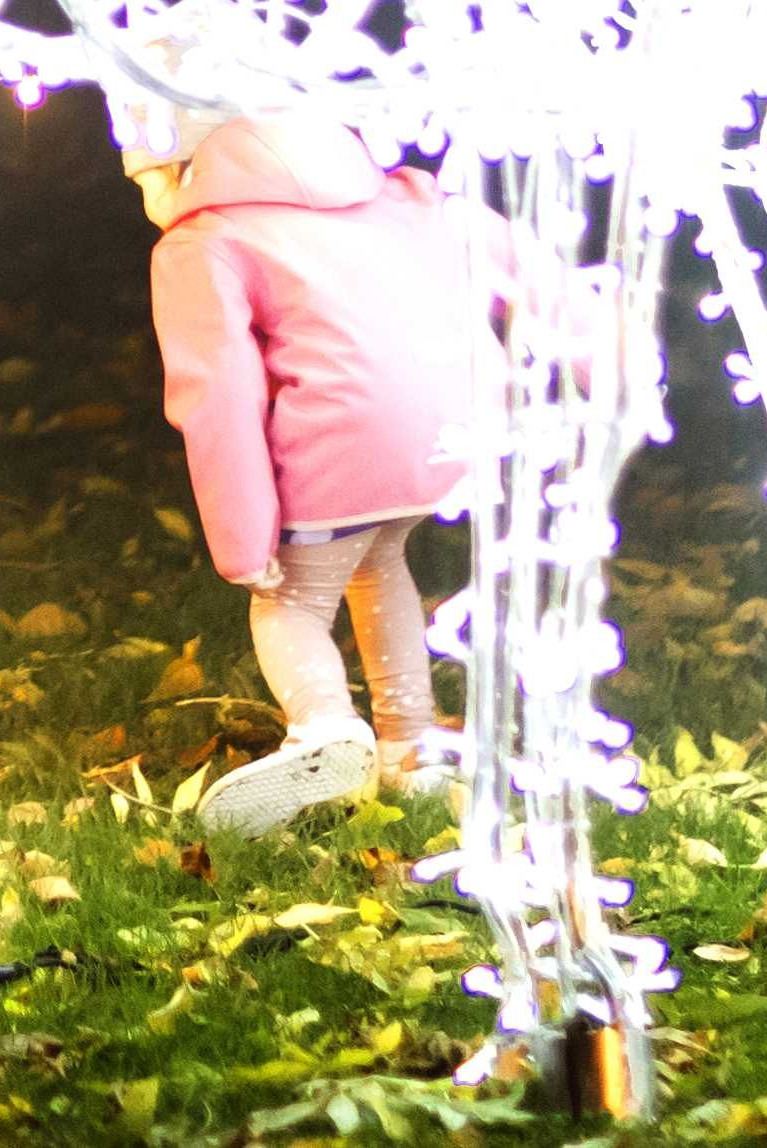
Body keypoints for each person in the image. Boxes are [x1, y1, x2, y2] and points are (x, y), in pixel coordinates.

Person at [134, 98, 517, 837]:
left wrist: (245, 544)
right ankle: (409, 744)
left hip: (341, 440)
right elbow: (507, 253)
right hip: (450, 430)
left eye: (144, 180)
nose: (147, 201)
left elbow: (218, 393)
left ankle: (324, 729)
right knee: (379, 563)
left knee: (290, 601)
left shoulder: (202, 243)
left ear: (183, 164)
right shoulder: (395, 195)